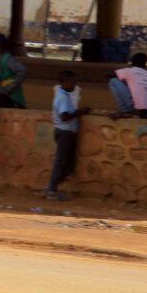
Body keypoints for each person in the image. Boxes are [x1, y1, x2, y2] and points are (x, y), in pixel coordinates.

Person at [44, 70, 90, 201]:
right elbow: (64, 116)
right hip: (65, 132)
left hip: (66, 132)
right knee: (61, 162)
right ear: (65, 82)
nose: (75, 86)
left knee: (67, 164)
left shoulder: (63, 95)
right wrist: (80, 112)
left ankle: (52, 187)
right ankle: (51, 189)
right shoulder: (63, 97)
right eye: (73, 83)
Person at [107, 53, 147, 119]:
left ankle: (125, 111)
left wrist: (126, 79)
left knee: (113, 81)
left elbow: (109, 75)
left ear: (132, 62)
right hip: (145, 110)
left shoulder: (129, 71)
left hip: (135, 108)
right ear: (145, 63)